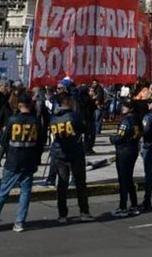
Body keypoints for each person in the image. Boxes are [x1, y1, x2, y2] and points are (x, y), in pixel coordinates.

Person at [0, 93, 45, 233]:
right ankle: (19, 223)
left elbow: (3, 140)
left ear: (19, 105)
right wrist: (37, 160)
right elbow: (40, 143)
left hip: (13, 160)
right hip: (29, 160)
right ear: (31, 105)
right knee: (25, 193)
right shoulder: (36, 121)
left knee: (2, 193)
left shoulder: (12, 120)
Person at [49, 87, 92, 223]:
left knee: (62, 184)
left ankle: (62, 214)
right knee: (80, 183)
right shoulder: (74, 116)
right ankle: (84, 211)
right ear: (67, 101)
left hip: (59, 153)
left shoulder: (54, 118)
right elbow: (85, 129)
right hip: (75, 153)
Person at [109, 99, 142, 217]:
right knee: (129, 178)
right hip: (133, 149)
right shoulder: (137, 120)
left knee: (123, 180)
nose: (123, 108)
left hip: (124, 151)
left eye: (126, 106)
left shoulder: (126, 121)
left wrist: (112, 138)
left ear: (131, 108)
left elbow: (120, 137)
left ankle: (123, 206)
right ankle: (134, 204)